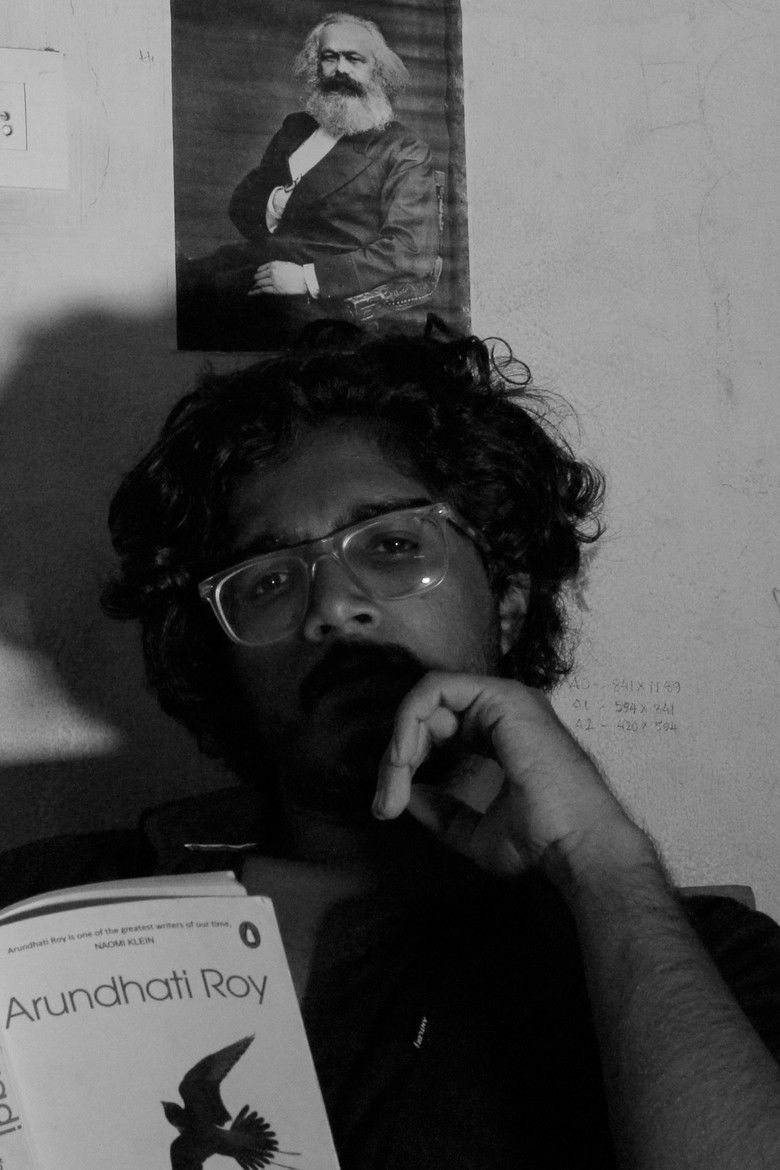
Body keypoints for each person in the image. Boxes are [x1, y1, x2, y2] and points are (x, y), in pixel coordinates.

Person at [3, 323, 780, 1168]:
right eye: (269, 580)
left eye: (393, 544)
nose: (333, 606)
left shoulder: (690, 966)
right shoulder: (42, 907)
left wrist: (603, 863)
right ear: (219, 658)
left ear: (508, 602)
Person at [177, 13, 440, 350]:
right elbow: (241, 205)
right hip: (255, 261)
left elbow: (409, 251)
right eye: (330, 57)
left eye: (354, 58)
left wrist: (307, 279)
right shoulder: (296, 128)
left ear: (378, 70)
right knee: (181, 290)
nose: (341, 69)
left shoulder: (403, 149)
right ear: (316, 66)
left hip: (324, 295)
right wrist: (276, 203)